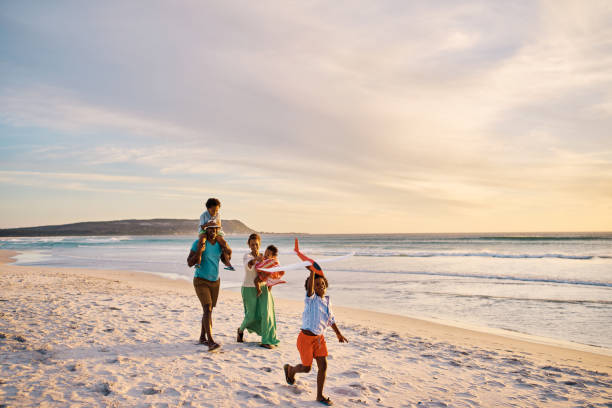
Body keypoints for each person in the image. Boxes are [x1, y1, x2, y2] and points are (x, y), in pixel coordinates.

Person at [283, 268, 348, 406]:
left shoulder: (327, 302)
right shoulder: (311, 299)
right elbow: (310, 288)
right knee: (307, 368)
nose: (321, 286)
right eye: (317, 284)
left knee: (323, 366)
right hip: (305, 339)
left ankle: (319, 396)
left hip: (319, 339)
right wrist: (312, 272)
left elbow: (331, 320)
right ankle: (291, 370)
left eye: (323, 284)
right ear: (312, 287)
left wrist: (338, 333)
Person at [237, 236, 281, 349]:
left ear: (259, 244)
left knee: (266, 314)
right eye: (252, 244)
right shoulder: (247, 256)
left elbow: (272, 269)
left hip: (263, 288)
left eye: (256, 244)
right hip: (249, 288)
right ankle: (240, 331)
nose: (255, 247)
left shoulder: (264, 256)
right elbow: (250, 265)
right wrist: (256, 259)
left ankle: (267, 339)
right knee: (251, 315)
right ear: (249, 245)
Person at [187, 222, 223, 351]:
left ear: (218, 230)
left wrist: (228, 251)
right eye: (210, 229)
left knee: (208, 310)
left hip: (215, 281)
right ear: (206, 230)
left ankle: (202, 337)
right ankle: (210, 341)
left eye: (215, 229)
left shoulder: (219, 244)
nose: (213, 231)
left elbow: (224, 259)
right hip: (201, 280)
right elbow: (189, 263)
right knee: (207, 308)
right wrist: (199, 253)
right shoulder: (198, 243)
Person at [197, 198, 233, 270]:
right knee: (202, 242)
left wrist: (215, 226)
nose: (215, 212)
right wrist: (208, 224)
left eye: (217, 210)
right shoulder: (203, 215)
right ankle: (198, 262)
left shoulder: (218, 215)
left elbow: (219, 225)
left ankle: (228, 264)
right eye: (213, 210)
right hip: (204, 231)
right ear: (208, 208)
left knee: (224, 244)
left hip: (215, 230)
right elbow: (202, 226)